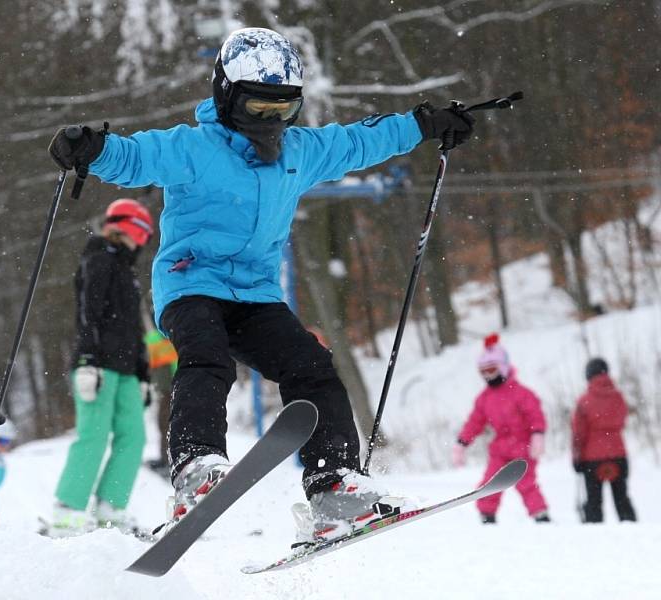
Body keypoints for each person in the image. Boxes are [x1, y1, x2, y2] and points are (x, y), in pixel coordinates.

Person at [48, 27, 474, 543]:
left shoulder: (300, 151)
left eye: (283, 110)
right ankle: (196, 469)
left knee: (312, 366)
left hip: (254, 296)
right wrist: (90, 149)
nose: (270, 123)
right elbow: (135, 156)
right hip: (191, 287)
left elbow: (361, 140)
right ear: (226, 96)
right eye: (258, 108)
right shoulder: (193, 148)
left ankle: (333, 486)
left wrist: (424, 124)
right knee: (207, 358)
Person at [50, 199, 154, 537]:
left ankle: (111, 509)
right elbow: (88, 314)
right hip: (98, 365)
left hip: (126, 370)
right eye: (141, 232)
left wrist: (143, 374)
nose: (142, 240)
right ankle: (67, 512)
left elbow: (135, 328)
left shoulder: (127, 271)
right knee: (93, 436)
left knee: (134, 438)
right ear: (124, 227)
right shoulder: (97, 258)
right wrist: (87, 361)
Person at [452, 334, 550, 523]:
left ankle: (540, 515)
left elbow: (535, 414)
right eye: (483, 372)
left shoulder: (521, 393)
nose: (488, 375)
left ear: (503, 367)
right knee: (490, 482)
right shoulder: (485, 398)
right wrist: (462, 443)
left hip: (523, 448)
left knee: (526, 483)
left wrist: (538, 434)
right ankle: (487, 515)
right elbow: (475, 422)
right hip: (500, 449)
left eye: (492, 369)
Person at [572, 358, 637, 523]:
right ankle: (631, 528)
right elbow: (622, 420)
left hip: (592, 459)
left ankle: (594, 533)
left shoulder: (584, 401)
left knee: (594, 501)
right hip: (618, 454)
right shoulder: (618, 397)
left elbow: (578, 433)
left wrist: (576, 457)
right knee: (621, 497)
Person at [143, 328, 178, 473]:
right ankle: (166, 458)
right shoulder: (154, 339)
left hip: (172, 386)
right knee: (165, 423)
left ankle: (169, 460)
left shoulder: (157, 338)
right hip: (167, 387)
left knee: (166, 423)